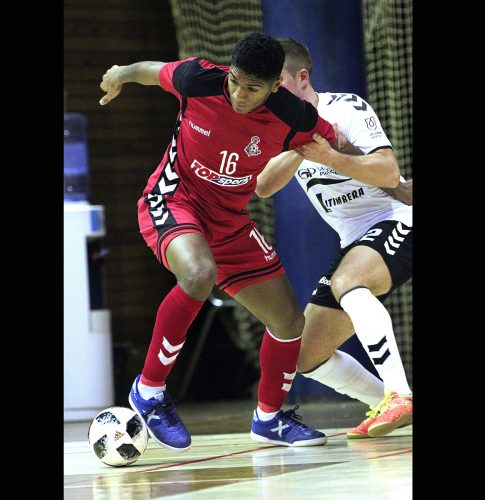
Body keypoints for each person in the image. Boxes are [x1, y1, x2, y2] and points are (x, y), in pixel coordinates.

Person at [98, 32, 365, 450]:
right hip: (173, 200)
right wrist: (119, 74)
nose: (239, 94)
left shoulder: (294, 116)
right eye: (236, 80)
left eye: (252, 87)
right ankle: (149, 391)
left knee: (289, 324)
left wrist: (387, 180)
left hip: (230, 222)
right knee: (199, 274)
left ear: (276, 85)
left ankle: (270, 419)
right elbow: (150, 72)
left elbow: (337, 139)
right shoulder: (198, 78)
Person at [256, 38, 412, 439]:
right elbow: (264, 186)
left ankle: (400, 393)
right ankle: (388, 401)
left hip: (395, 219)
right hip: (355, 240)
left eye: (277, 83)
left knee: (348, 282)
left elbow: (389, 173)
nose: (270, 93)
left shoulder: (346, 107)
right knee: (306, 354)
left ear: (302, 77)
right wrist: (300, 143)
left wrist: (331, 156)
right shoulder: (277, 130)